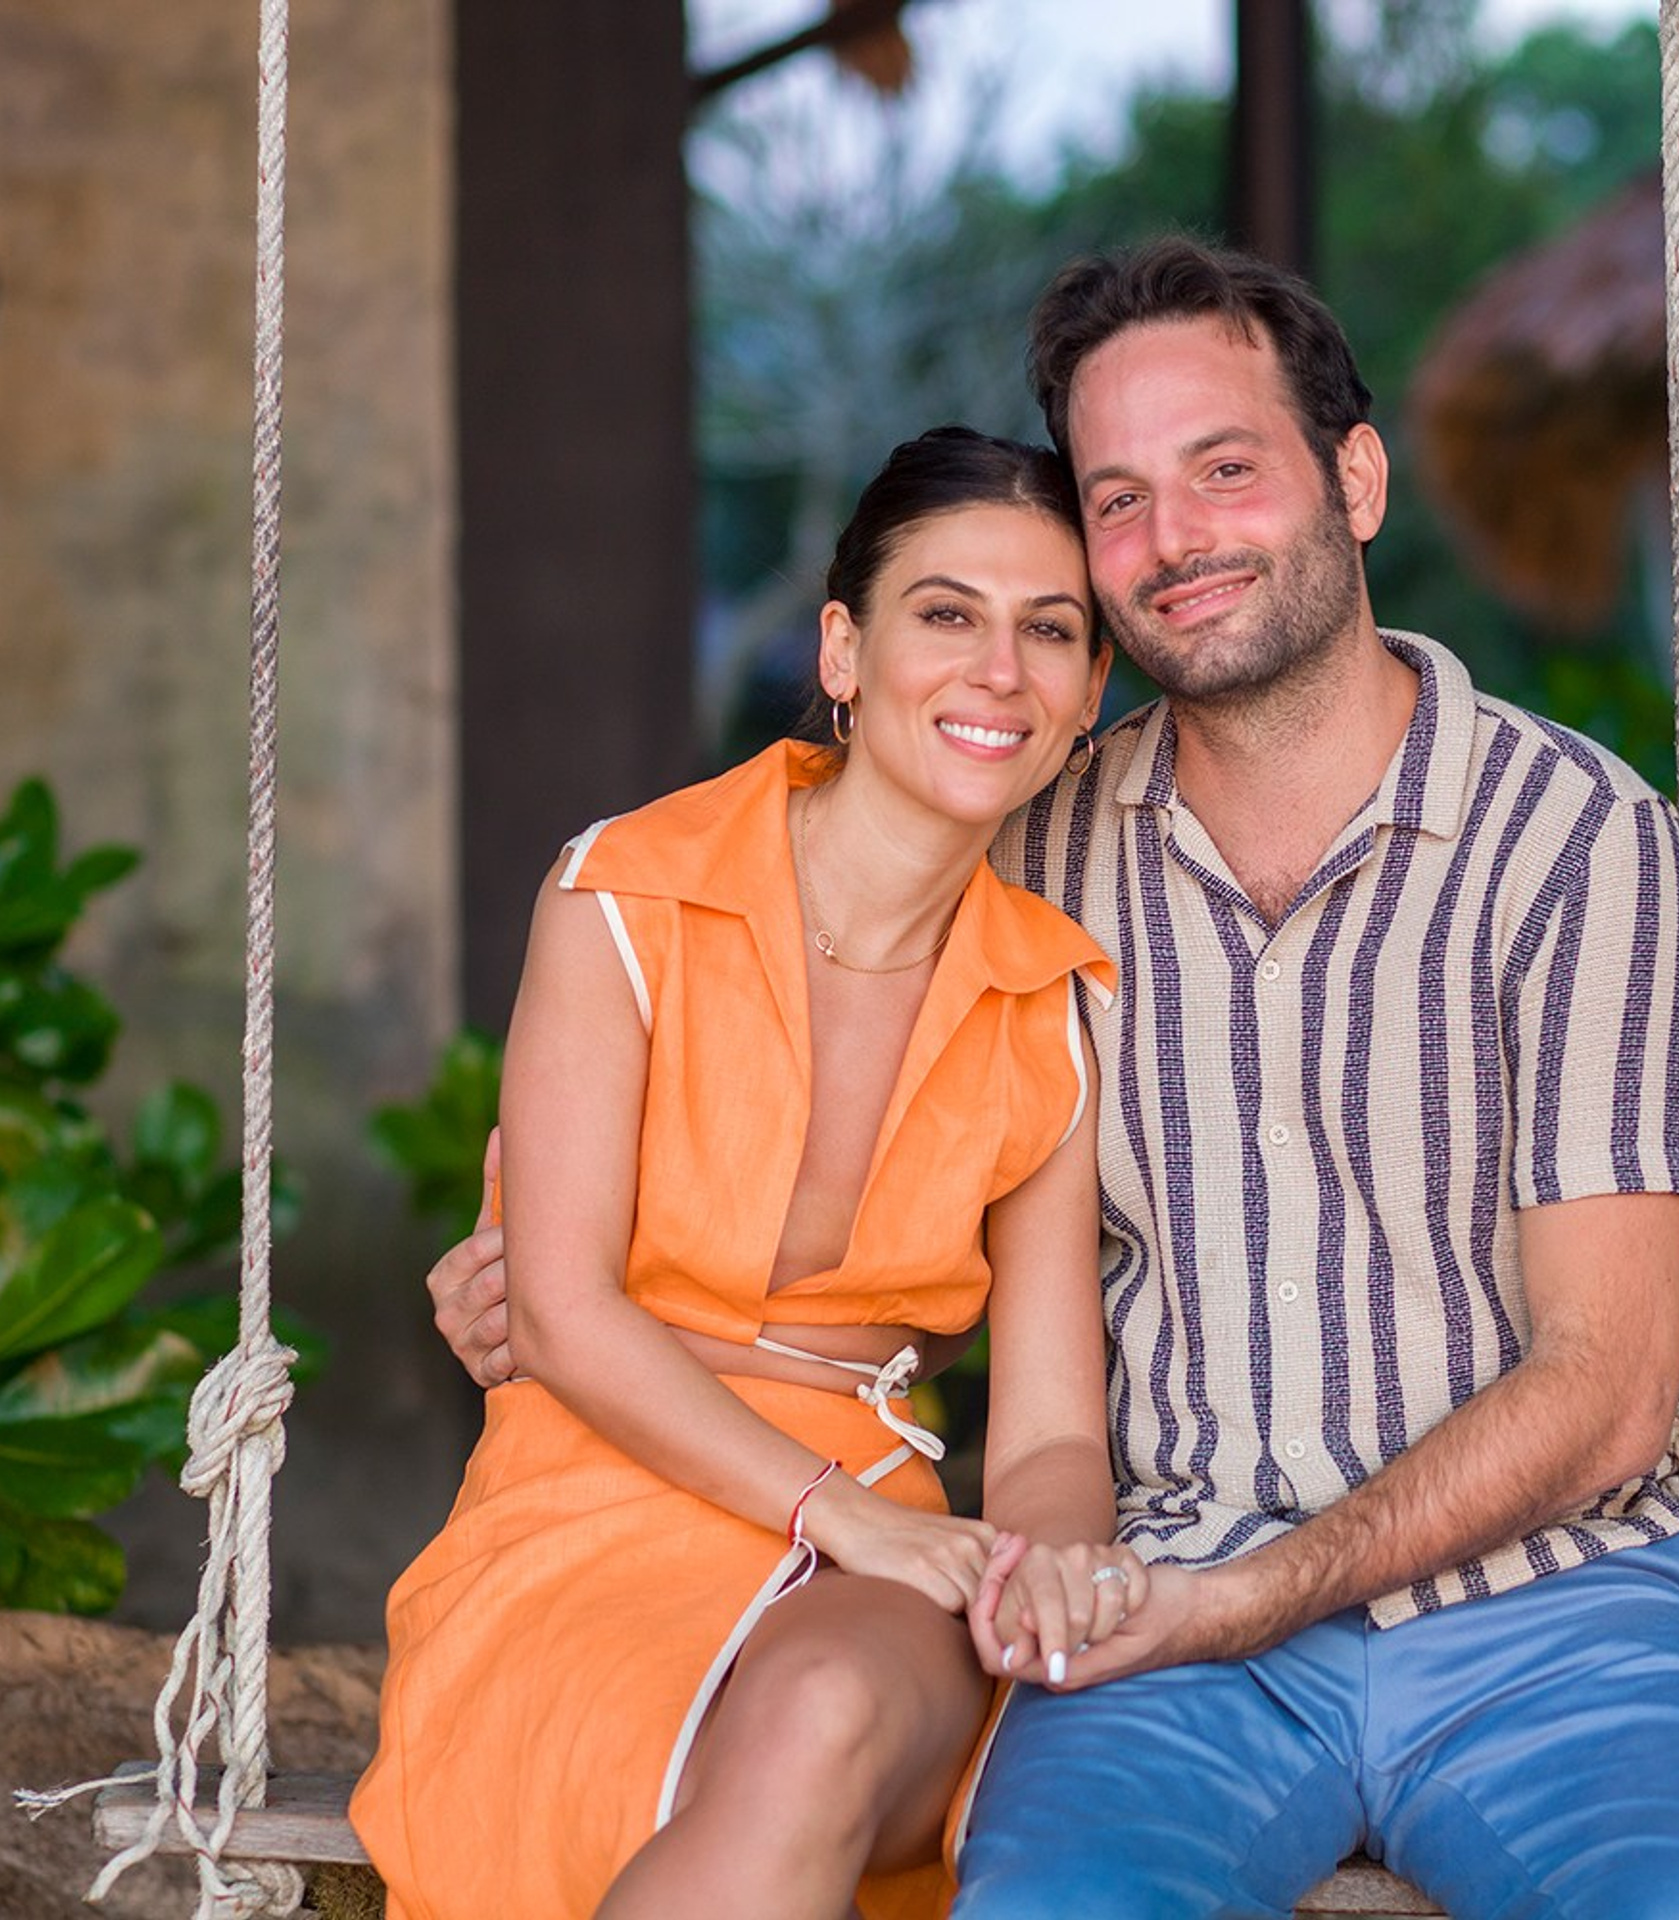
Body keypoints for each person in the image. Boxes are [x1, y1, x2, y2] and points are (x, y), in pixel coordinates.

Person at [429, 240, 1679, 1919]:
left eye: (1225, 470)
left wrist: (1241, 1592)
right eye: (1121, 499)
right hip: (1155, 1613)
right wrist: (558, 1285)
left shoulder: (1576, 838)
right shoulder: (1032, 846)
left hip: (1550, 1611)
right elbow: (815, 1057)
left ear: (1354, 479)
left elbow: (1611, 1383)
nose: (1175, 542)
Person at [351, 424, 1143, 1920]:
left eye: (1052, 632)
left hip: (883, 1544)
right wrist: (836, 1515)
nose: (1000, 672)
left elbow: (1048, 1430)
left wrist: (1052, 1563)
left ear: (1092, 692)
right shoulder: (626, 896)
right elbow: (568, 1314)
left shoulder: (1058, 1001)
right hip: (593, 1489)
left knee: (826, 1712)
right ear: (843, 648)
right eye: (946, 614)